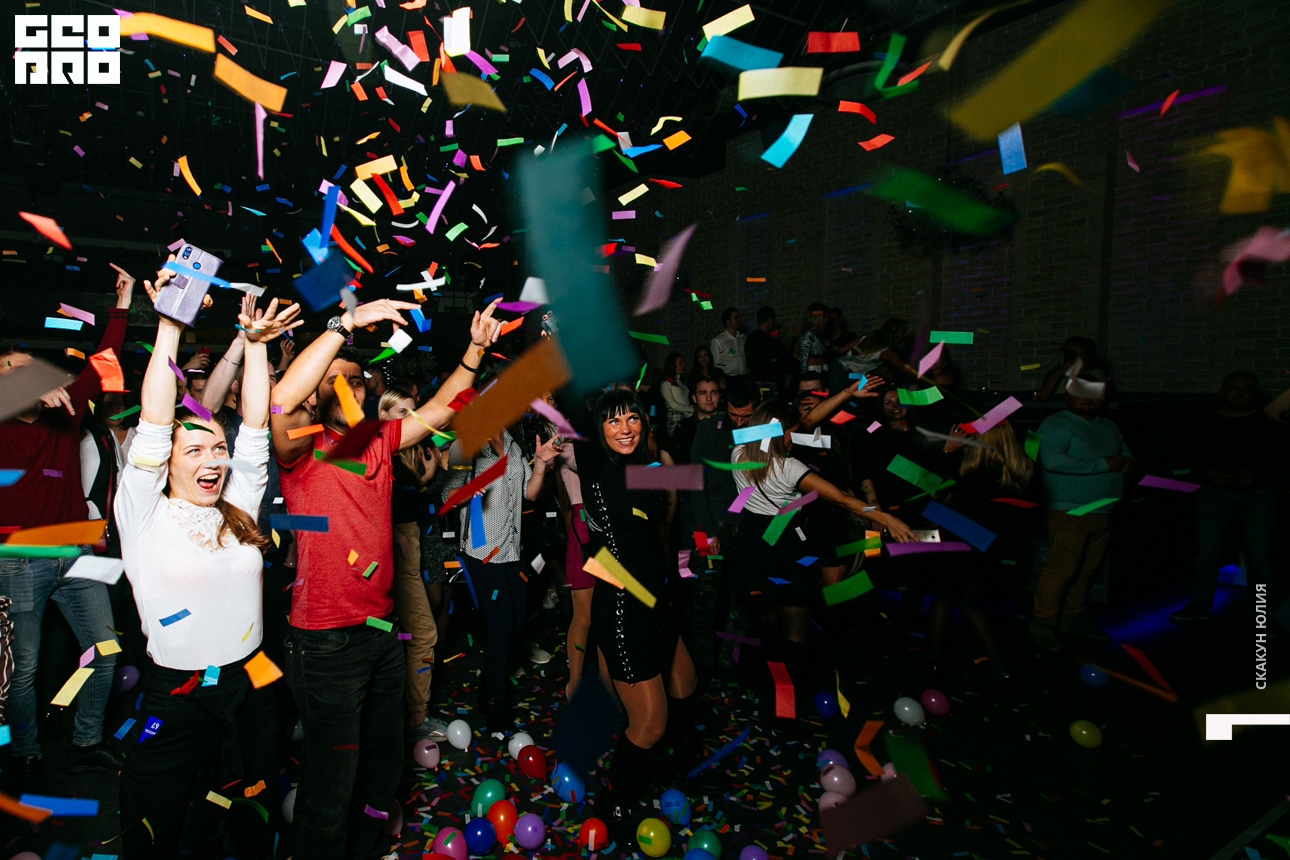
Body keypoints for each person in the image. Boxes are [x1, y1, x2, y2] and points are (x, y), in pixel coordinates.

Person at [269, 298, 501, 859]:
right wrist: (343, 325)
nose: (348, 387)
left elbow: (441, 408)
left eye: (356, 379)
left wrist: (474, 350)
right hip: (325, 640)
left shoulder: (377, 439)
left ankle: (367, 848)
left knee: (383, 768)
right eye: (334, 380)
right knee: (331, 786)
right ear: (315, 394)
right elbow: (281, 401)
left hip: (381, 631)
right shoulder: (303, 448)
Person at [115, 273, 300, 859]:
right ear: (165, 462)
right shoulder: (143, 513)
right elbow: (153, 423)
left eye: (217, 448)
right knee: (156, 829)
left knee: (253, 820)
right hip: (176, 696)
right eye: (193, 450)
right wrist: (170, 325)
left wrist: (257, 345)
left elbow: (255, 431)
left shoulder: (236, 505)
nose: (212, 460)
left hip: (253, 684)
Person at [0, 262, 137, 785]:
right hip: (18, 559)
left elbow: (104, 363)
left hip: (75, 550)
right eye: (8, 369)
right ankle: (25, 753)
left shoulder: (69, 409)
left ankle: (87, 742)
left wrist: (122, 304)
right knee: (24, 668)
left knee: (104, 648)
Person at [727, 400, 914, 710]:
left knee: (767, 617)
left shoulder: (738, 453)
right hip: (781, 545)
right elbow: (841, 498)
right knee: (796, 635)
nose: (795, 438)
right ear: (779, 433)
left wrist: (849, 392)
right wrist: (888, 519)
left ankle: (749, 681)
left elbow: (798, 424)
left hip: (751, 543)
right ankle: (783, 710)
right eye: (792, 432)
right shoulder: (789, 467)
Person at [576, 389, 697, 822]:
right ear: (598, 429)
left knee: (686, 683)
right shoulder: (599, 473)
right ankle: (614, 805)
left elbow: (688, 490)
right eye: (613, 421)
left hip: (654, 601)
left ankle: (678, 769)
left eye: (632, 418)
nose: (625, 428)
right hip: (624, 611)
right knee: (649, 723)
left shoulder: (645, 470)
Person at [444, 425, 559, 733]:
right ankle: (497, 705)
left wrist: (541, 463)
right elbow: (447, 495)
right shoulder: (464, 445)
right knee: (501, 624)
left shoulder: (512, 441)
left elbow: (529, 494)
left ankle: (488, 686)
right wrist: (467, 491)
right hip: (483, 551)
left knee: (518, 620)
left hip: (512, 549)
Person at [1170, 371, 1286, 623]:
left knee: (1257, 557)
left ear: (1254, 393)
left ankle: (1260, 613)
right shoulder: (1204, 423)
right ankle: (1201, 605)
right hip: (1215, 494)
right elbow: (1189, 454)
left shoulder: (1269, 427)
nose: (1239, 393)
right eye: (1235, 387)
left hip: (1257, 495)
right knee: (1209, 553)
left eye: (1246, 389)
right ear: (1222, 390)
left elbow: (1280, 461)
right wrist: (1209, 472)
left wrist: (1257, 474)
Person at [926, 422, 1036, 684]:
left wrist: (948, 451)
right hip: (989, 547)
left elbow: (931, 487)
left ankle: (930, 666)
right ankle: (999, 666)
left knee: (945, 597)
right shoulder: (1015, 471)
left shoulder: (979, 474)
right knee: (965, 600)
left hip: (965, 544)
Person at [1031, 376, 1135, 650]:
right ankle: (1042, 623)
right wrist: (1103, 464)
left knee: (1086, 569)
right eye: (1081, 393)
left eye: (1094, 393)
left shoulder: (1109, 425)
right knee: (1061, 569)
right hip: (1070, 509)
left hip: (1104, 508)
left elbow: (1126, 454)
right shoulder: (1056, 424)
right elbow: (1051, 460)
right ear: (1067, 396)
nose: (1088, 399)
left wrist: (1128, 463)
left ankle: (1072, 618)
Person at [379, 384, 449, 742]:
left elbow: (410, 497)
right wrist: (395, 534)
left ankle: (407, 715)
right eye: (401, 412)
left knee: (406, 634)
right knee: (423, 634)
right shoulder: (382, 454)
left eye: (413, 411)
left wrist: (426, 478)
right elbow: (369, 501)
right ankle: (416, 717)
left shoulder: (408, 452)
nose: (410, 419)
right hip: (398, 548)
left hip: (412, 542)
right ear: (383, 416)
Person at [687, 378, 759, 677]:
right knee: (704, 596)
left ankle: (731, 663)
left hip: (747, 524)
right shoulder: (709, 429)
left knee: (742, 597)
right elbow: (695, 483)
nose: (739, 422)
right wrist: (707, 531)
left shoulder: (763, 430)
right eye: (734, 415)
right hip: (710, 524)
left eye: (746, 416)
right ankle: (702, 663)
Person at [1034, 336, 1104, 401]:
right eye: (1069, 354)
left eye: (1077, 355)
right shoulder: (1057, 375)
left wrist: (1076, 372)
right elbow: (1041, 398)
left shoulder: (1095, 374)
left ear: (1089, 356)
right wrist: (1057, 374)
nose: (1073, 358)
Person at [670, 376, 721, 464]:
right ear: (694, 398)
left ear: (720, 396)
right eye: (702, 393)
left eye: (714, 393)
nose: (708, 398)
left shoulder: (730, 424)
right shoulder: (683, 427)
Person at [745, 306, 787, 387]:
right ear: (770, 320)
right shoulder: (768, 340)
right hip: (770, 382)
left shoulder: (750, 338)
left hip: (755, 381)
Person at [659, 353, 692, 434]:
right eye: (680, 363)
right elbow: (673, 404)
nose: (683, 365)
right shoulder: (666, 383)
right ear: (672, 365)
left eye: (684, 362)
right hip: (675, 415)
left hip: (687, 414)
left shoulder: (682, 382)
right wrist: (692, 409)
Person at [710, 307, 747, 378]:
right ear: (728, 321)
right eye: (736, 318)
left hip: (743, 377)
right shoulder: (718, 341)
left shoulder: (743, 338)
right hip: (727, 378)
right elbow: (714, 364)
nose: (739, 320)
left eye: (739, 317)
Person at [795, 303, 829, 373]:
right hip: (812, 374)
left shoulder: (818, 334)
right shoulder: (807, 334)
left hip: (820, 373)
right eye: (824, 317)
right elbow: (802, 357)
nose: (827, 320)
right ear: (817, 317)